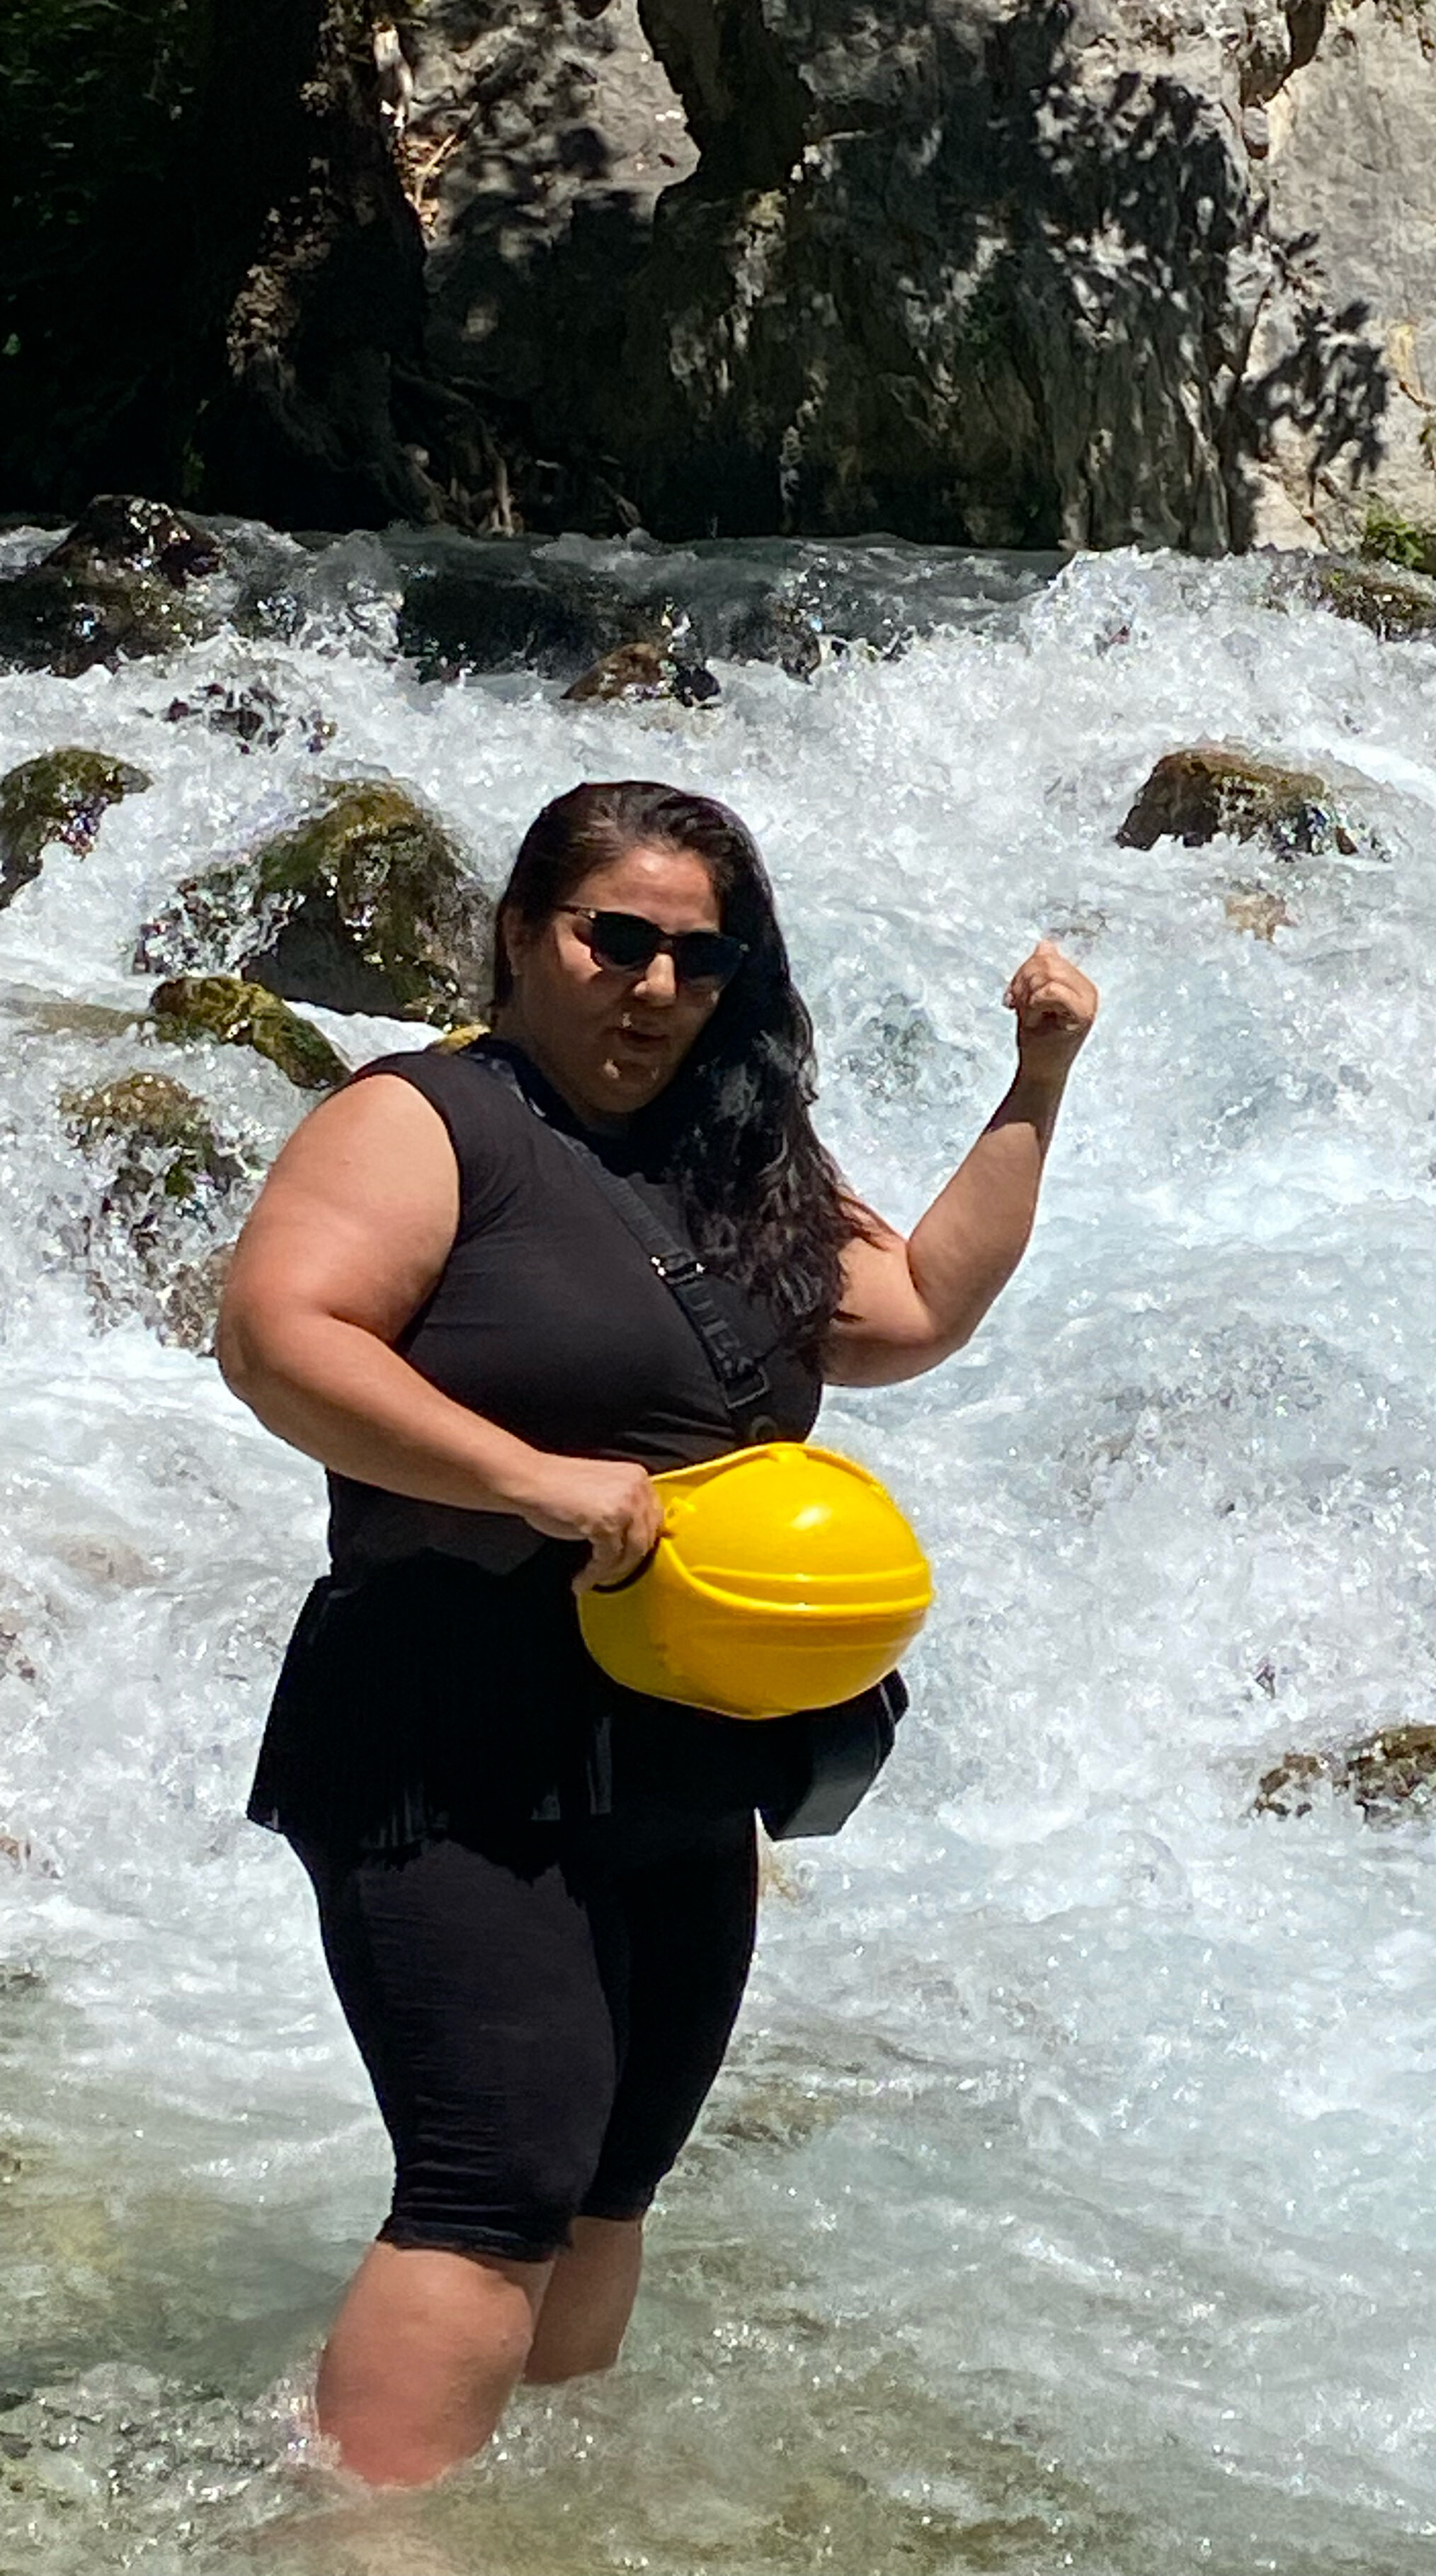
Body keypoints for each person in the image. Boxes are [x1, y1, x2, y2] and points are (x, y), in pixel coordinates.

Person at [216, 777, 1098, 2490]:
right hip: (444, 1726)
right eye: (615, 940)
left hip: (686, 1739)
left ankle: (528, 2501)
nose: (657, 987)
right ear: (521, 933)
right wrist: (529, 1479)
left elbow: (914, 1310)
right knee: (496, 2176)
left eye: (702, 958)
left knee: (615, 2169)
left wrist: (1037, 1085)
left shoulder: (733, 1152)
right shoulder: (424, 1121)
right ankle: (362, 2535)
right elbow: (279, 1337)